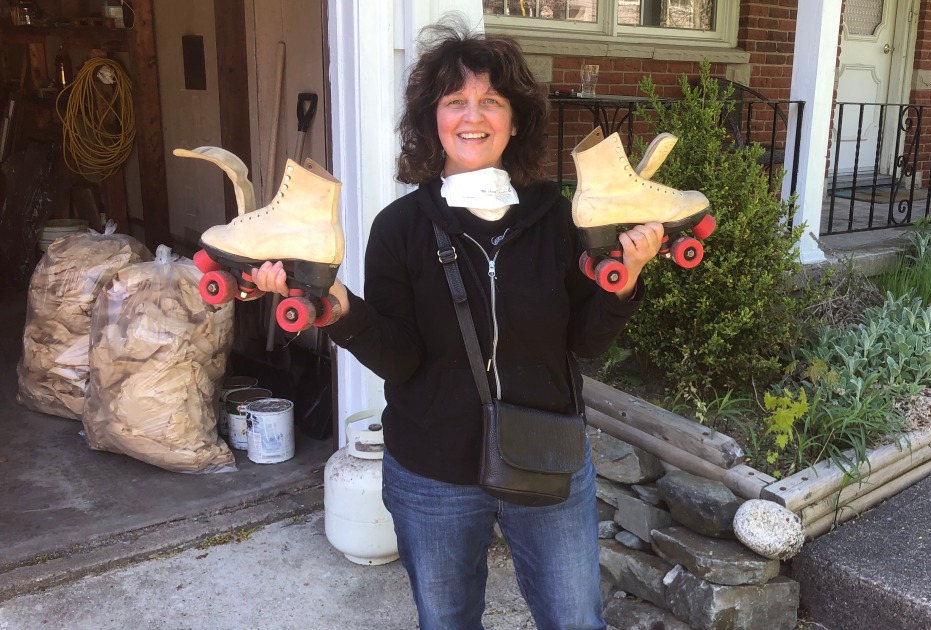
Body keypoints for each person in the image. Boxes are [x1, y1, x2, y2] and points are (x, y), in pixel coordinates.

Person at [250, 19, 664, 630]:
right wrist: (337, 306)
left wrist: (623, 284)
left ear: (515, 118)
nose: (474, 116)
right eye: (454, 101)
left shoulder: (559, 218)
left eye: (491, 100)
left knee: (576, 621)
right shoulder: (401, 228)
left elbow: (582, 345)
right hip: (432, 474)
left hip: (547, 457)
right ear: (431, 120)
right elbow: (401, 359)